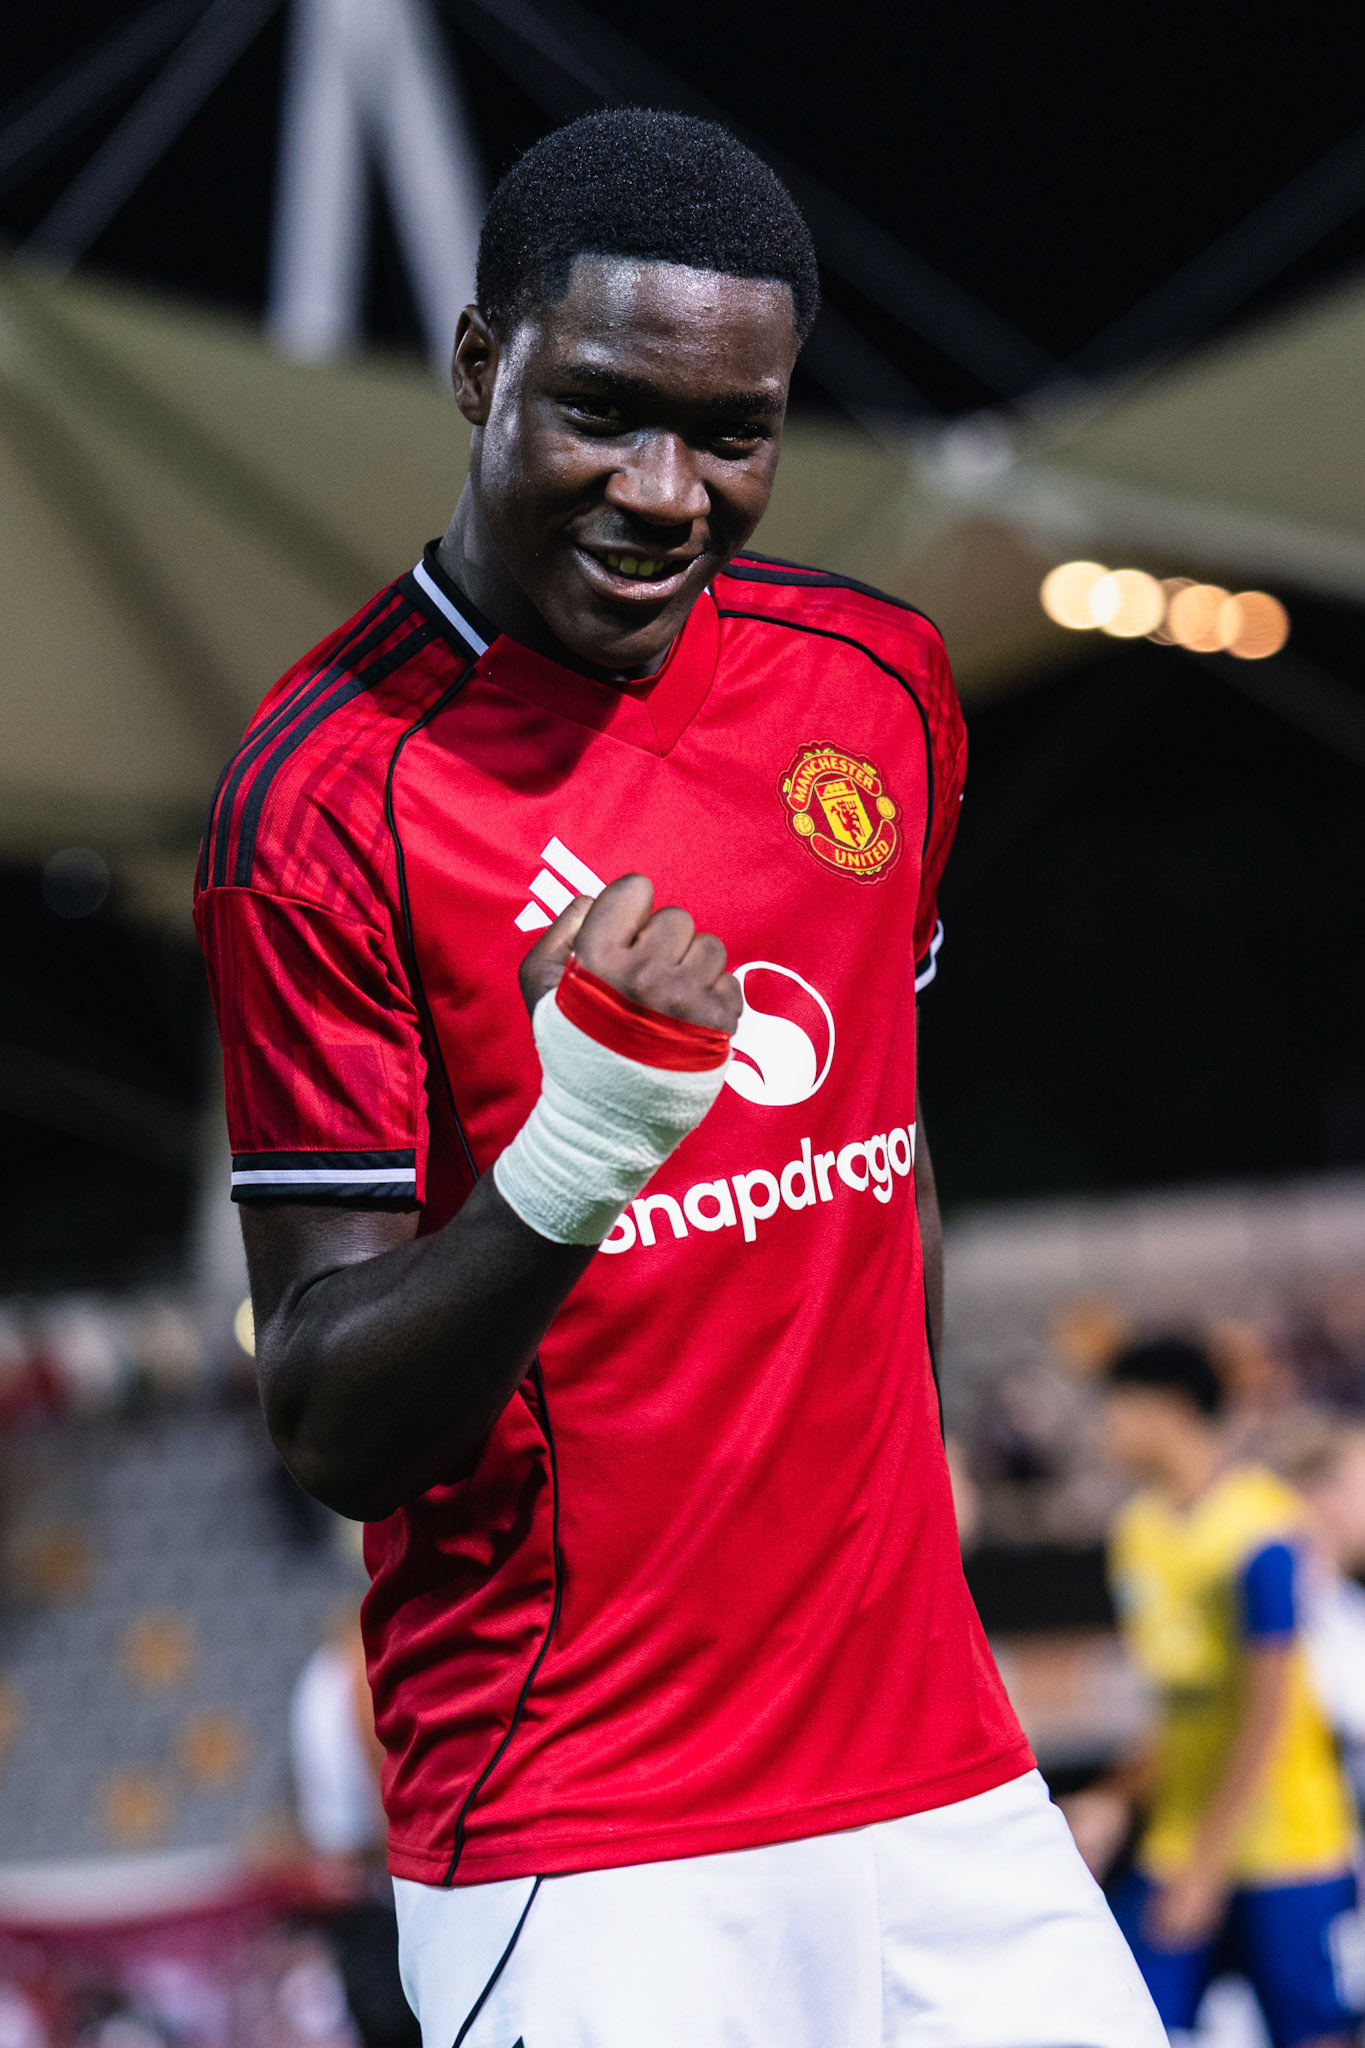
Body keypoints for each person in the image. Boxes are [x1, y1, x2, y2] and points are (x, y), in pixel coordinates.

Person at [195, 109, 1160, 2047]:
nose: (664, 491)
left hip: (939, 1779)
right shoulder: (319, 804)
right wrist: (592, 1133)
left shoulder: (877, 687)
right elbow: (327, 1417)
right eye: (603, 414)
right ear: (482, 366)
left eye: (732, 433)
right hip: (586, 1836)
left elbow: (881, 1173)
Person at [1089, 1338, 1361, 2048]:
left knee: (1311, 2031)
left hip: (1283, 1845)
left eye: (1117, 1407)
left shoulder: (1261, 1528)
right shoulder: (1136, 1531)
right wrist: (1116, 1798)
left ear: (1169, 1408)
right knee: (1132, 2022)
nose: (1105, 1427)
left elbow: (1269, 1709)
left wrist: (1206, 1868)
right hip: (1180, 1836)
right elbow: (1180, 1706)